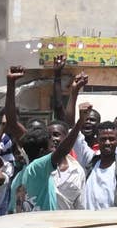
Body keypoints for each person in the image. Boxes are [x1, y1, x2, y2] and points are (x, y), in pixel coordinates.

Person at [10, 73, 88, 212]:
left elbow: (12, 123)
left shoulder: (21, 175)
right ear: (42, 152)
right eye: (49, 143)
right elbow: (63, 151)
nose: (54, 143)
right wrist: (80, 122)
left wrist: (10, 84)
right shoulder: (37, 168)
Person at [80, 123, 117, 211]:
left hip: (112, 222)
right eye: (103, 139)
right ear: (97, 140)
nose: (107, 143)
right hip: (88, 220)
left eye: (111, 139)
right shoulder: (90, 165)